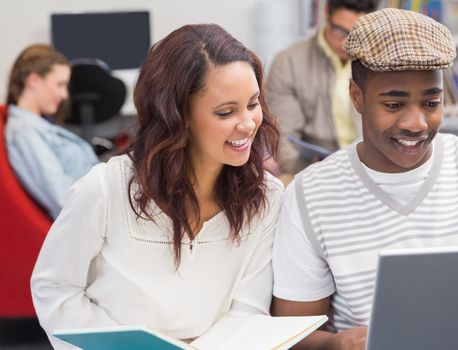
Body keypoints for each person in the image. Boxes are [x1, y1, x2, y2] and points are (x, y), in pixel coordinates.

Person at [271, 8, 458, 350]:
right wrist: (339, 344)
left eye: (432, 102)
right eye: (394, 104)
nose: (416, 123)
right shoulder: (310, 195)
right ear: (357, 97)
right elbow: (292, 335)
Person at [31, 24, 283, 349]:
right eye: (226, 111)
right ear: (178, 114)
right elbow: (55, 287)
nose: (248, 123)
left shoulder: (267, 198)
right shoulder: (106, 189)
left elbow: (248, 313)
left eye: (253, 103)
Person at [265, 0, 379, 176]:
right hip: (310, 169)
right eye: (339, 31)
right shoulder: (288, 62)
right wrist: (312, 175)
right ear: (326, 13)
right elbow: (282, 137)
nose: (345, 44)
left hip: (373, 167)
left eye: (356, 34)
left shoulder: (381, 63)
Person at [5, 44, 99, 219]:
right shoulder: (24, 132)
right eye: (60, 84)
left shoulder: (36, 126)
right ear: (33, 81)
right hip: (91, 217)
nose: (64, 95)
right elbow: (63, 200)